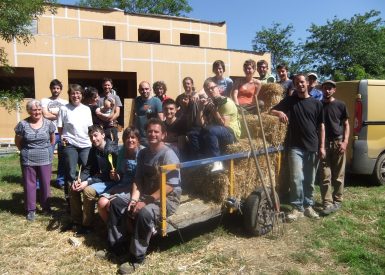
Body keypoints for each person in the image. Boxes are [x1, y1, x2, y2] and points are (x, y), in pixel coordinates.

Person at [107, 118, 181, 274]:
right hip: (146, 193)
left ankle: (137, 258)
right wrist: (134, 199)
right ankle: (117, 246)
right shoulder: (143, 153)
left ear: (163, 135)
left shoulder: (169, 155)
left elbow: (170, 185)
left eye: (156, 131)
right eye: (150, 131)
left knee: (145, 213)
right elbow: (138, 179)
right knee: (116, 203)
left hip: (167, 198)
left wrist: (145, 201)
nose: (152, 134)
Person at [270, 74, 325, 221]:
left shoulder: (317, 103)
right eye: (297, 83)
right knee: (296, 178)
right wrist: (280, 112)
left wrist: (322, 146)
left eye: (302, 82)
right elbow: (271, 110)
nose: (300, 85)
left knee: (309, 179)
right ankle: (296, 208)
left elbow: (321, 126)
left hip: (312, 146)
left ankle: (308, 206)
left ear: (307, 83)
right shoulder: (290, 101)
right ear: (294, 85)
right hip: (295, 146)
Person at [67, 125, 119, 235]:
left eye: (96, 135)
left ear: (103, 135)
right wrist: (79, 179)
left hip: (112, 181)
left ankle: (87, 225)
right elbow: (88, 168)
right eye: (91, 137)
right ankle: (76, 221)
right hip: (102, 178)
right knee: (73, 187)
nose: (93, 139)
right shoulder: (94, 150)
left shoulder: (111, 151)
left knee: (88, 191)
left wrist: (88, 182)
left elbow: (109, 175)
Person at [14, 99, 55, 221]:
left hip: (45, 158)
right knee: (29, 184)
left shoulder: (49, 124)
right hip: (28, 158)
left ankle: (46, 207)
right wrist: (26, 151)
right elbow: (18, 142)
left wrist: (46, 150)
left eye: (39, 109)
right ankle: (30, 210)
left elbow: (52, 140)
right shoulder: (22, 124)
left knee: (45, 184)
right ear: (28, 111)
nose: (37, 112)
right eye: (34, 110)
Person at [191, 78, 240, 172]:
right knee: (193, 132)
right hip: (216, 131)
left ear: (218, 89)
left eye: (212, 88)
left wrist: (214, 111)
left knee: (211, 130)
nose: (210, 91)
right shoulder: (211, 103)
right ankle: (200, 160)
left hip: (231, 132)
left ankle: (217, 162)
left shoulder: (226, 102)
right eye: (207, 90)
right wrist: (201, 109)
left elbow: (224, 124)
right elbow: (200, 124)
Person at [97, 127, 144, 223]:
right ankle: (110, 227)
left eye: (133, 137)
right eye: (127, 137)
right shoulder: (122, 152)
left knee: (111, 205)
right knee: (101, 203)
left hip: (138, 188)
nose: (130, 140)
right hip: (123, 184)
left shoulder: (143, 153)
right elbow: (119, 175)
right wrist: (115, 175)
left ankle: (119, 229)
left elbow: (142, 178)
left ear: (138, 139)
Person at [57, 84, 93, 209]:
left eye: (78, 93)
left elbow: (90, 128)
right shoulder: (64, 108)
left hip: (86, 145)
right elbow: (60, 127)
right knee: (71, 174)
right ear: (69, 95)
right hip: (70, 144)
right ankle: (71, 204)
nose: (75, 95)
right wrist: (63, 139)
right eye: (73, 93)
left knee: (87, 172)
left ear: (82, 95)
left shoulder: (86, 109)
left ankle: (88, 200)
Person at [319, 80, 349, 216]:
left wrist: (345, 142)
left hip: (338, 143)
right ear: (322, 90)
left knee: (338, 175)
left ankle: (337, 200)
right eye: (325, 88)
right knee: (325, 175)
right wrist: (320, 146)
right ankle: (327, 202)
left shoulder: (341, 104)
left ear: (334, 90)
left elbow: (346, 124)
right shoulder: (318, 105)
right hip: (324, 144)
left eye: (330, 88)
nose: (327, 91)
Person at [41, 79, 68, 189]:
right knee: (47, 157)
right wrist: (59, 114)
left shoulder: (65, 102)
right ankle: (44, 181)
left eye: (58, 88)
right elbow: (45, 115)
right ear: (50, 89)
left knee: (63, 158)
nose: (55, 90)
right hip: (49, 132)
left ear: (60, 90)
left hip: (62, 133)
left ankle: (60, 181)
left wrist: (52, 113)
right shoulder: (44, 100)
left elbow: (66, 117)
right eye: (54, 88)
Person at [134, 81, 163, 145]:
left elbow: (161, 119)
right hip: (139, 137)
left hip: (151, 137)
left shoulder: (156, 101)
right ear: (139, 90)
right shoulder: (136, 100)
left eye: (146, 89)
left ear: (150, 89)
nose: (144, 91)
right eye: (142, 89)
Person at [98, 78, 122, 143]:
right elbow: (98, 112)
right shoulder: (98, 98)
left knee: (114, 143)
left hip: (113, 125)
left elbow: (117, 113)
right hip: (102, 126)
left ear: (111, 86)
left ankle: (112, 154)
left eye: (108, 85)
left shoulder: (116, 97)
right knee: (104, 143)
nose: (107, 87)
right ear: (102, 86)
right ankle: (107, 154)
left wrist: (110, 120)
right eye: (105, 85)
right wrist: (105, 120)